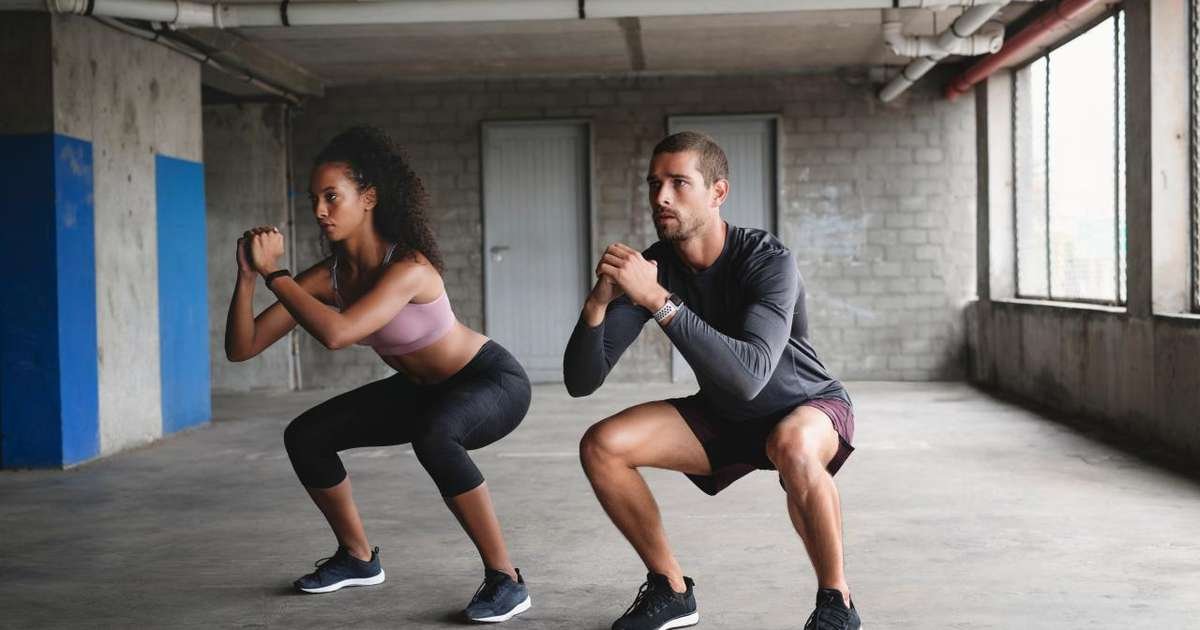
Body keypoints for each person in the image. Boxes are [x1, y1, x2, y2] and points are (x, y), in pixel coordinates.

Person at [224, 126, 532, 623]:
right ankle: (358, 557)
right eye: (313, 200)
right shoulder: (329, 277)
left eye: (332, 197)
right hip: (418, 390)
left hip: (488, 381)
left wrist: (275, 275)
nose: (320, 211)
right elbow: (244, 347)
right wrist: (246, 278)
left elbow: (338, 333)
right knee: (307, 436)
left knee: (436, 436)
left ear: (368, 198)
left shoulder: (409, 267)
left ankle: (506, 578)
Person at [564, 131, 861, 630]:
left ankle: (837, 603)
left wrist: (657, 301)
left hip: (804, 405)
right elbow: (581, 380)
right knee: (602, 445)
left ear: (717, 193)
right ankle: (671, 589)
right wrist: (597, 303)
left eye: (679, 183)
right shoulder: (655, 265)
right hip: (726, 412)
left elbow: (749, 375)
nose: (661, 196)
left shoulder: (767, 260)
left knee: (792, 444)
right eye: (654, 183)